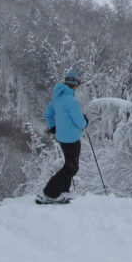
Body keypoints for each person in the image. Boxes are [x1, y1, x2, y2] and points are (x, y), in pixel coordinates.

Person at [39, 68, 89, 203]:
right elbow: (80, 123)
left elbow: (48, 114)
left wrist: (53, 127)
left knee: (69, 164)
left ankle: (63, 192)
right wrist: (85, 121)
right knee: (72, 168)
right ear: (75, 84)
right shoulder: (73, 102)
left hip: (61, 138)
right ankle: (50, 192)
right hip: (72, 139)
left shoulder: (57, 98)